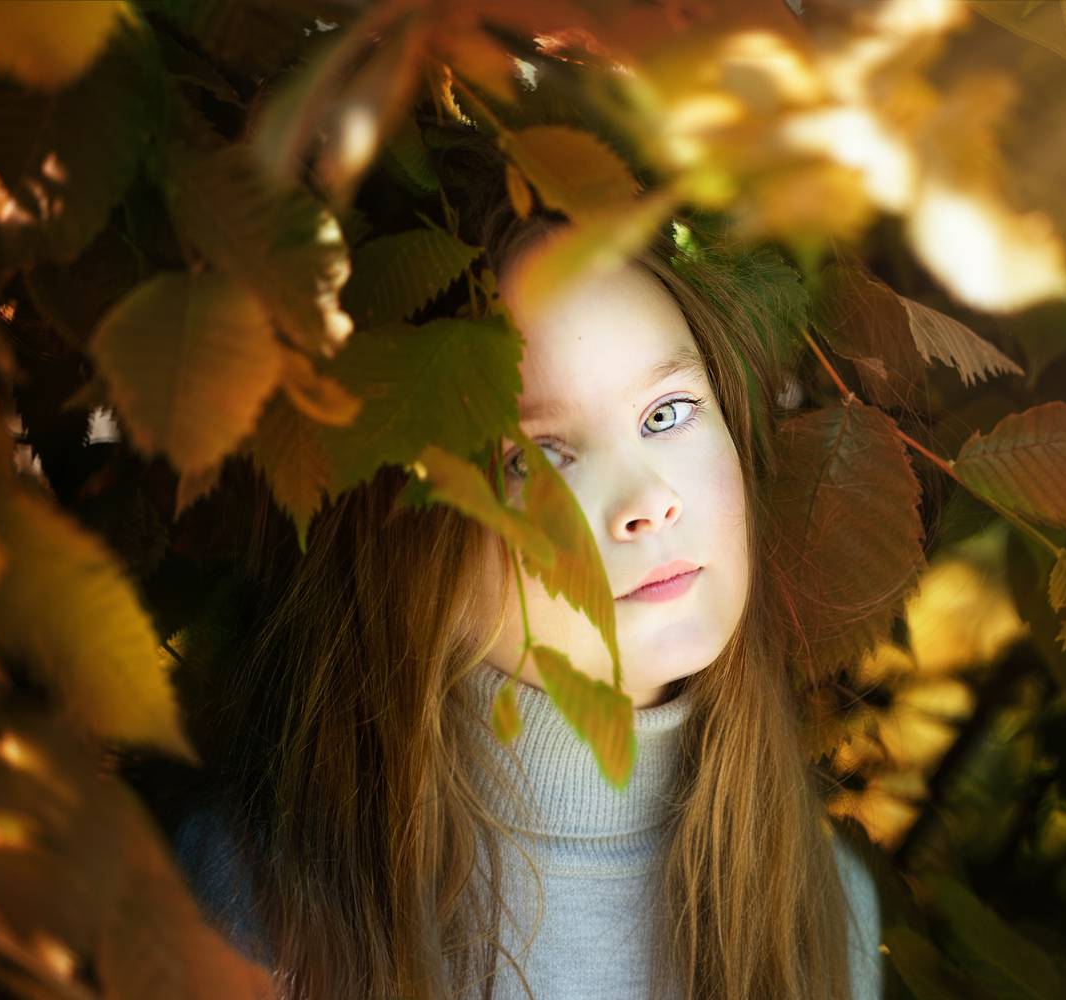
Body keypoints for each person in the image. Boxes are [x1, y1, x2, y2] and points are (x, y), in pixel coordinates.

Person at [170, 163, 887, 1000]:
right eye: (536, 457)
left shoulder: (826, 912)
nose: (647, 502)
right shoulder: (250, 904)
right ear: (401, 533)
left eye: (666, 414)